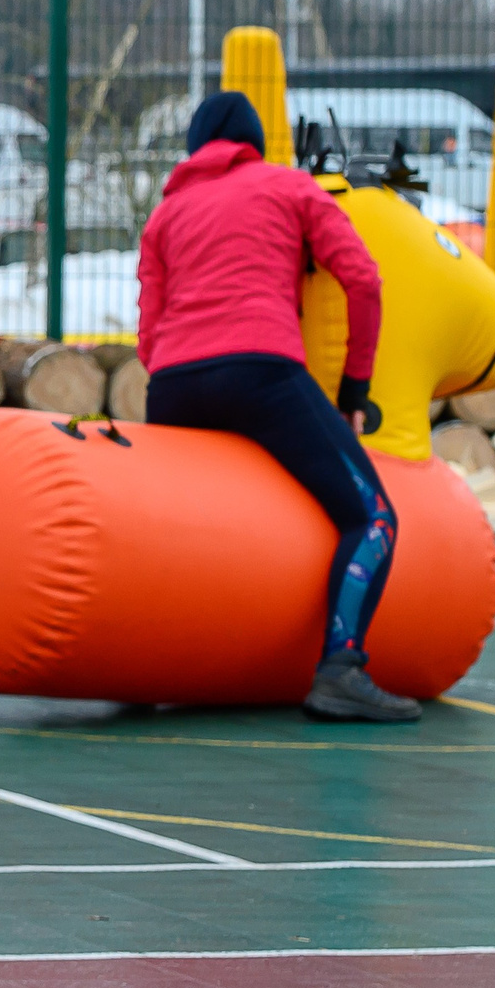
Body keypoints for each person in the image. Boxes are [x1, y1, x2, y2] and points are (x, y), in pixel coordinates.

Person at [137, 90, 415, 723]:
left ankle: (145, 661)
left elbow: (148, 337)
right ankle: (341, 666)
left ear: (192, 150)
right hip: (262, 371)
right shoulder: (291, 189)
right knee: (373, 519)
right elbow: (364, 282)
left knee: (171, 534)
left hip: (175, 385)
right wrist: (354, 392)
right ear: (256, 145)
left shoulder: (166, 214)